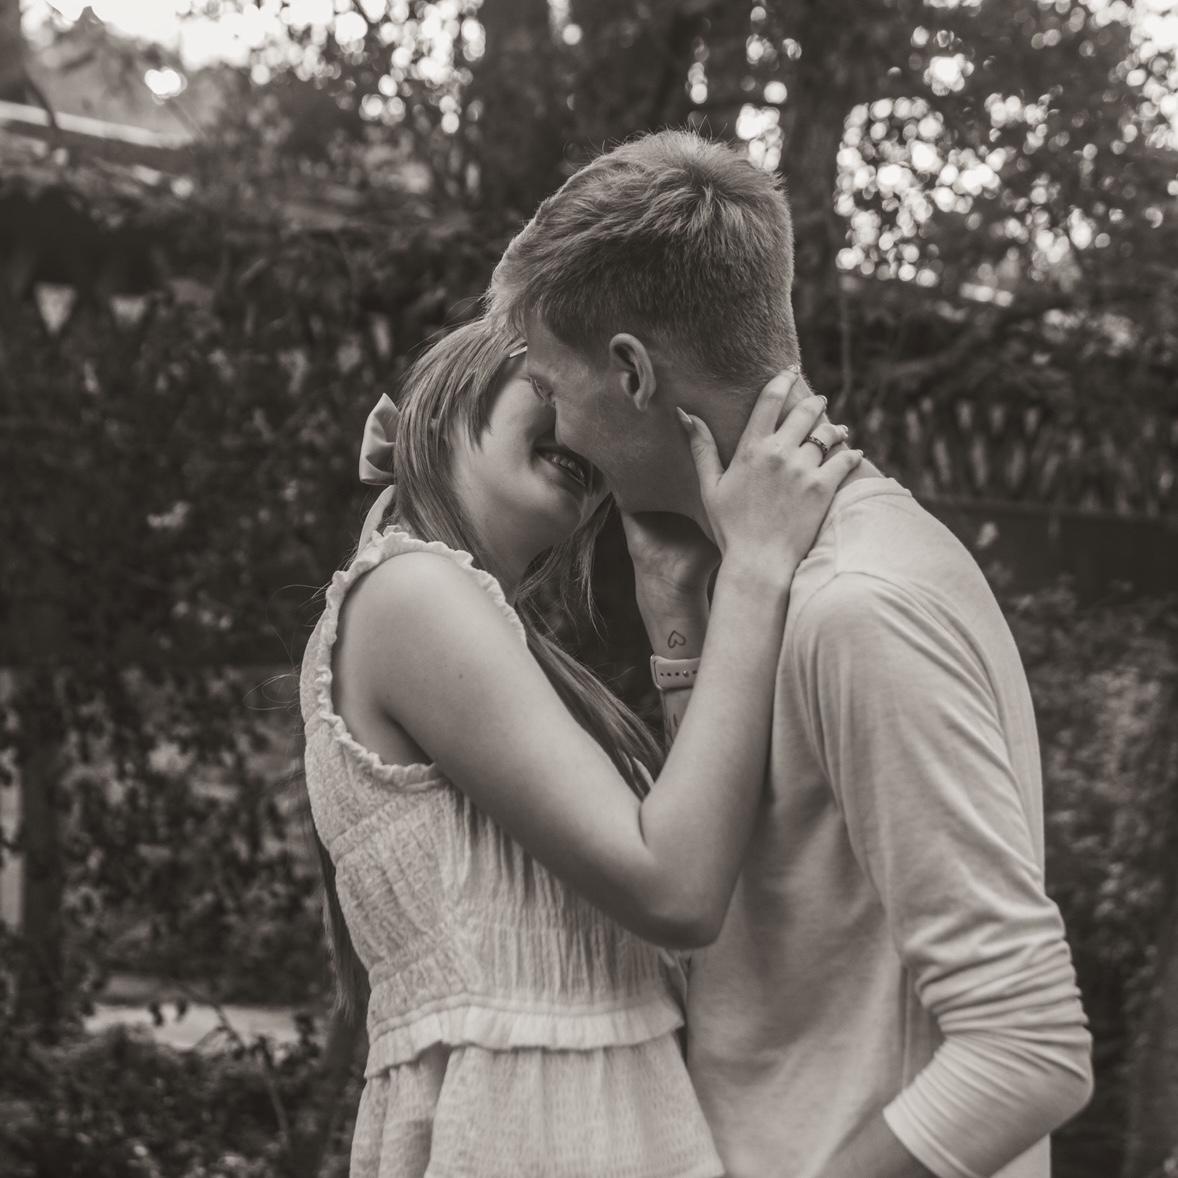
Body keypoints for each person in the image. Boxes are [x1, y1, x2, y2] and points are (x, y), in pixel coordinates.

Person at [487, 128, 1095, 1178]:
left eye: (551, 387)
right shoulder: (779, 576)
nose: (560, 429)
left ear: (631, 371)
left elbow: (1027, 1048)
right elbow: (764, 914)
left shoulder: (859, 604)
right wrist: (679, 625)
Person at [299, 314, 862, 1177]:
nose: (579, 424)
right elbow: (676, 891)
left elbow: (700, 870)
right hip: (528, 1131)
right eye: (550, 384)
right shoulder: (410, 591)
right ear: (455, 387)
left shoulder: (467, 620)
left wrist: (675, 608)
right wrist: (756, 563)